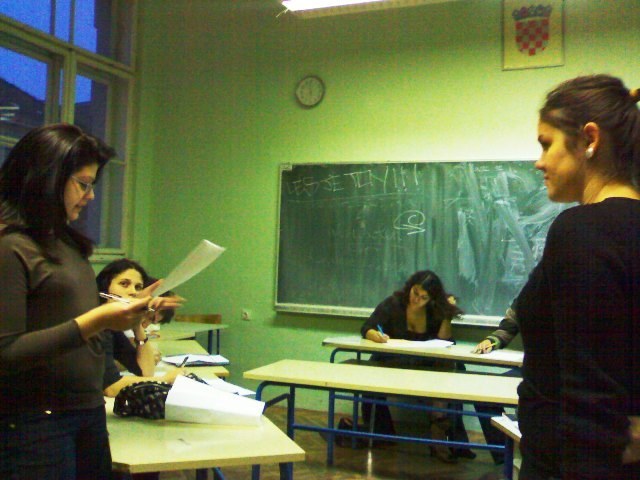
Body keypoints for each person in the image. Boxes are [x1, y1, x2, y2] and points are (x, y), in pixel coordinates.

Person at [0, 124, 156, 479]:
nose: (90, 196)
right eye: (83, 184)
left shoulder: (67, 245)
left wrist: (128, 314)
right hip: (35, 423)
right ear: (47, 179)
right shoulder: (10, 247)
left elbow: (75, 323)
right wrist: (98, 320)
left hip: (86, 412)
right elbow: (5, 351)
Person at [515, 74, 640, 479]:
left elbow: (589, 399)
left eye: (546, 143)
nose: (539, 162)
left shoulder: (582, 231)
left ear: (589, 139)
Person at [360, 269, 466, 463]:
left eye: (424, 297)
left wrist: (447, 315)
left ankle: (442, 438)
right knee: (368, 375)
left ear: (432, 299)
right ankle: (381, 434)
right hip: (393, 362)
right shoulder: (394, 304)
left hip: (424, 366)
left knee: (454, 371)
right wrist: (377, 336)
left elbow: (446, 342)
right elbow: (367, 327)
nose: (417, 299)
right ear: (410, 287)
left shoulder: (435, 310)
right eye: (415, 292)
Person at [96, 259, 186, 398]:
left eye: (138, 287)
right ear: (105, 287)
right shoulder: (96, 323)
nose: (133, 292)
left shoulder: (111, 325)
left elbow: (145, 371)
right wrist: (164, 381)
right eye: (124, 284)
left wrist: (137, 325)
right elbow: (111, 387)